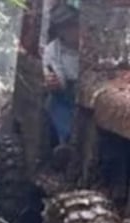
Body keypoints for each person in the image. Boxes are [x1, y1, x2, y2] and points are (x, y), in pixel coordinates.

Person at [42, 5, 79, 153]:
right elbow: (57, 77)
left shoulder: (91, 45)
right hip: (65, 97)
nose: (72, 31)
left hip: (90, 92)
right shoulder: (52, 50)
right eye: (66, 27)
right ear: (59, 31)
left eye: (74, 26)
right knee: (55, 105)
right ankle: (66, 145)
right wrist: (54, 82)